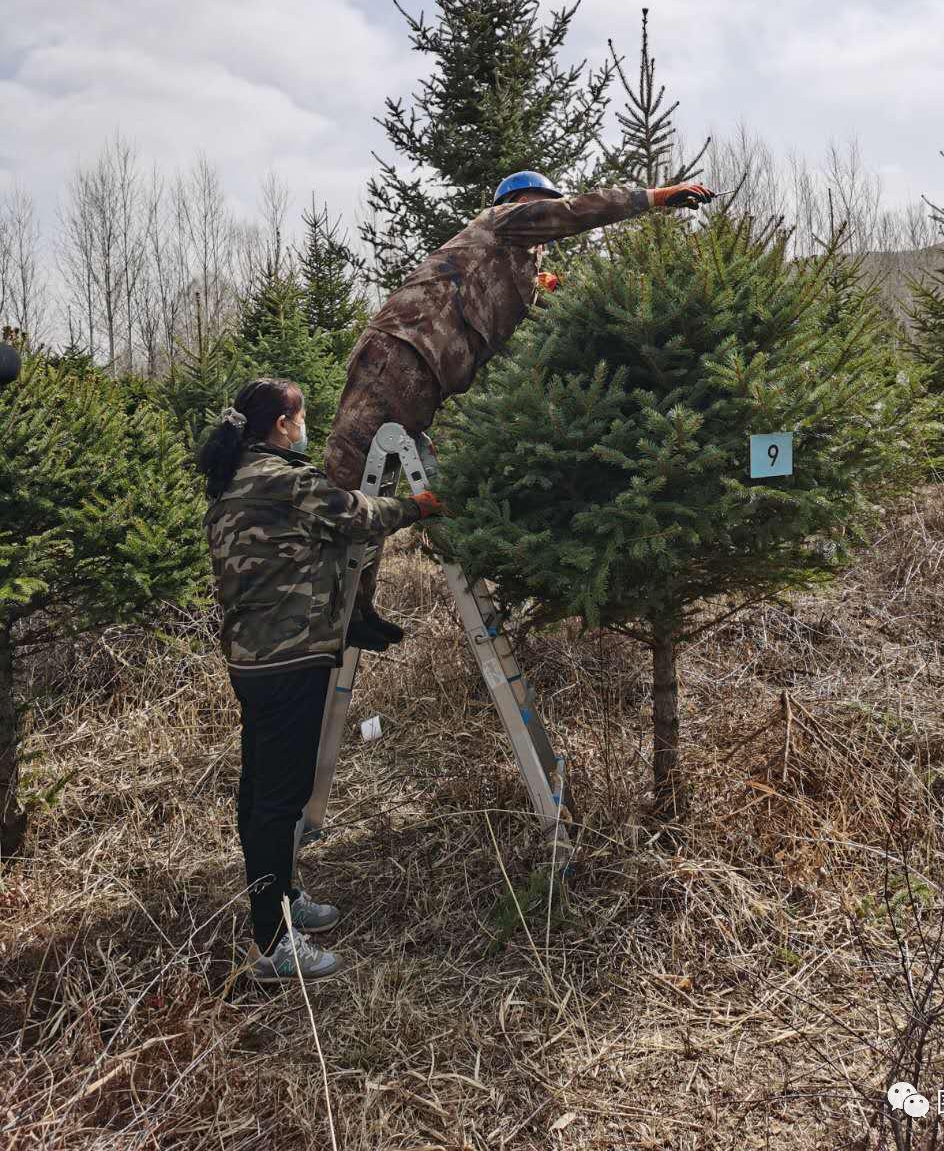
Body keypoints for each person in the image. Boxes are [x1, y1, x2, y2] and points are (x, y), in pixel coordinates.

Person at [324, 173, 714, 647]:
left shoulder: (517, 269)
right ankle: (327, 615)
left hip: (428, 374)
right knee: (348, 481)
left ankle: (355, 609)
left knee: (374, 487)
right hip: (399, 351)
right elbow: (574, 212)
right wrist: (653, 198)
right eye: (542, 205)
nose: (546, 224)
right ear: (521, 204)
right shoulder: (501, 221)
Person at [198, 377, 443, 983]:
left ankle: (283, 895)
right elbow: (357, 517)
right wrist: (421, 504)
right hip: (287, 662)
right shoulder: (284, 481)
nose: (307, 425)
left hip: (253, 662)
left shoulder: (235, 479)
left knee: (262, 789)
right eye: (301, 415)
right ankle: (274, 942)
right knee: (278, 800)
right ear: (283, 425)